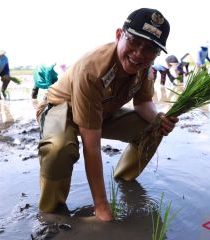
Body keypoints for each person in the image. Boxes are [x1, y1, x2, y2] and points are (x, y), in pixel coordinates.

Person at [36, 8, 178, 221]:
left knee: (154, 126)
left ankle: (124, 179)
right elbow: (91, 146)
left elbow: (143, 102)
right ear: (119, 35)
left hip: (101, 112)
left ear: (157, 54)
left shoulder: (146, 68)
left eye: (149, 48)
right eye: (134, 41)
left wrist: (159, 119)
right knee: (58, 149)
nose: (139, 53)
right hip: (62, 109)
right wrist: (101, 206)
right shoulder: (91, 70)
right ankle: (52, 212)